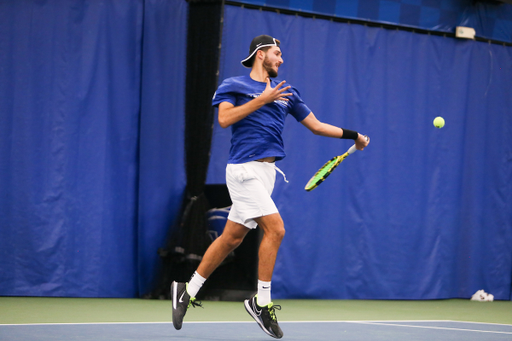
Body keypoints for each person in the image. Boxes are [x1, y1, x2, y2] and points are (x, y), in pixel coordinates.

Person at [171, 34, 369, 339]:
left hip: (267, 173)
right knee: (276, 229)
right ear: (261, 54)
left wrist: (353, 135)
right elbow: (224, 119)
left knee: (231, 238)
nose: (281, 58)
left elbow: (316, 126)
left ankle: (187, 290)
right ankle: (261, 302)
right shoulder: (234, 85)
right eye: (277, 53)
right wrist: (262, 99)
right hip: (243, 170)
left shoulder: (287, 92)